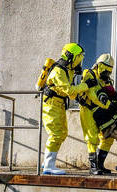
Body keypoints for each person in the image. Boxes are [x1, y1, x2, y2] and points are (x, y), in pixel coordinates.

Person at [41, 43, 97, 175]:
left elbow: (69, 90)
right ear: (72, 57)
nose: (80, 61)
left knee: (62, 132)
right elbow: (70, 91)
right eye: (79, 58)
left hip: (58, 104)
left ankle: (46, 163)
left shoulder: (68, 70)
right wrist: (86, 85)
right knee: (56, 134)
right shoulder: (58, 71)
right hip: (51, 104)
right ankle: (48, 166)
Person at [77, 54, 117, 175]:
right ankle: (93, 167)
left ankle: (100, 165)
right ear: (100, 65)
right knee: (92, 137)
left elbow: (111, 93)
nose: (108, 73)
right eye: (106, 70)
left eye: (110, 71)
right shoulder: (89, 73)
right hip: (88, 109)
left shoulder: (104, 79)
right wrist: (109, 106)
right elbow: (93, 94)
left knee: (107, 138)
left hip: (101, 110)